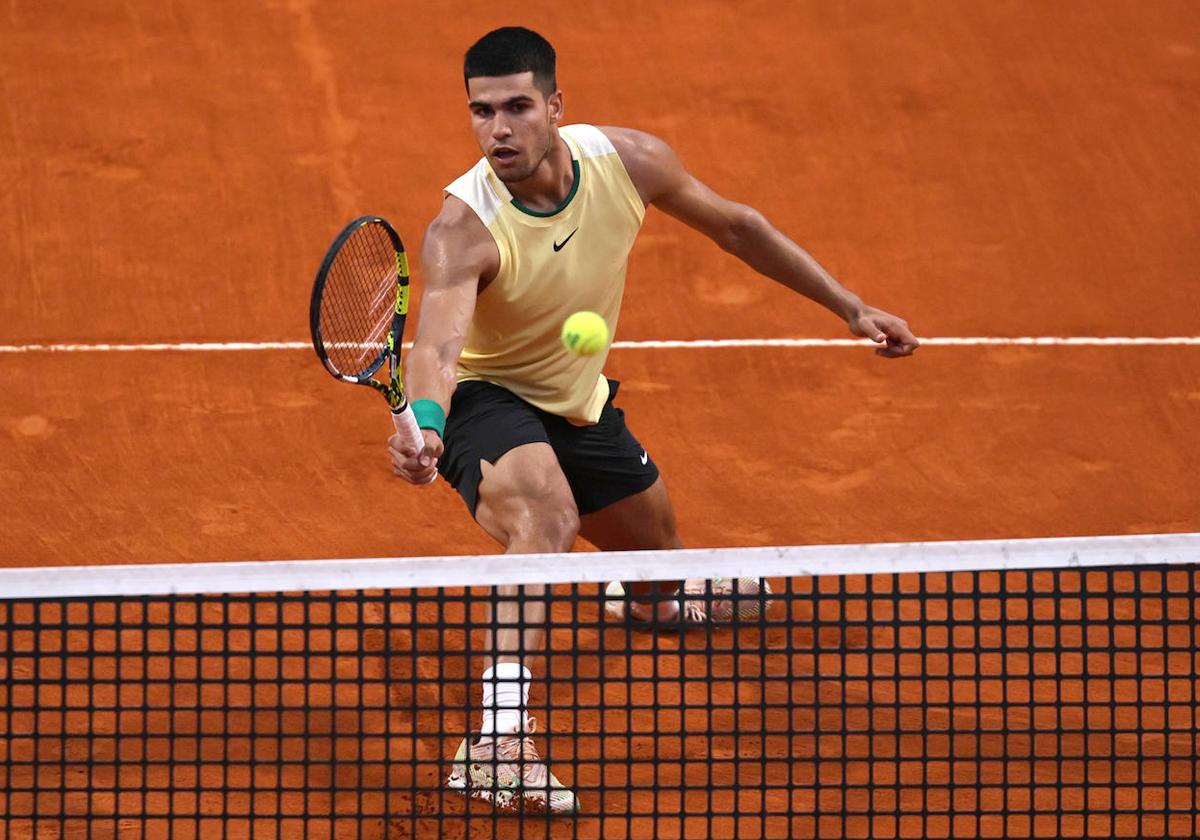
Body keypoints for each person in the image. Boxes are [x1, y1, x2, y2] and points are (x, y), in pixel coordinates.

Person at [388, 26, 919, 814]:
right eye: (481, 111)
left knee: (660, 560)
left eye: (518, 107)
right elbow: (436, 346)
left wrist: (848, 306)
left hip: (575, 395)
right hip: (484, 398)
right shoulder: (462, 230)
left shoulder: (626, 162)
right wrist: (427, 422)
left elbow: (737, 227)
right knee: (546, 514)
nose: (497, 129)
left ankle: (651, 601)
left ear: (556, 106)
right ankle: (496, 744)